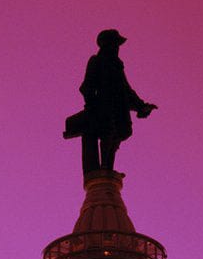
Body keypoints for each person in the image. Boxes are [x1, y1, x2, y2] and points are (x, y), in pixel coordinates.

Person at [65, 29, 157, 175]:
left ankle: (108, 167)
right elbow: (86, 87)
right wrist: (93, 106)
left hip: (119, 108)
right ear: (107, 45)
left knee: (123, 132)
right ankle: (104, 168)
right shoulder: (96, 61)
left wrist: (141, 106)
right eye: (115, 44)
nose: (117, 48)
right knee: (108, 133)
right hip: (103, 107)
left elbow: (126, 89)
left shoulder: (117, 65)